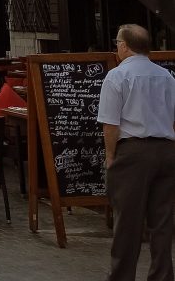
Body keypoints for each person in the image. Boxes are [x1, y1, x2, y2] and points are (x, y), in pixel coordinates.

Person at [97, 23, 175, 281]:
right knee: (162, 223)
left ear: (123, 45)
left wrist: (111, 157)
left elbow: (111, 123)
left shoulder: (117, 76)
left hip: (133, 152)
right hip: (166, 149)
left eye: (117, 42)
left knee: (127, 223)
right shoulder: (166, 76)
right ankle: (162, 276)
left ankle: (122, 277)